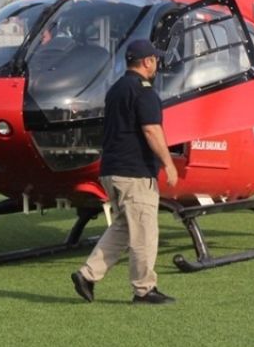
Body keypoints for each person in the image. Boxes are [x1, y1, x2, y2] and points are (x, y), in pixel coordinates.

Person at [72, 39, 180, 305]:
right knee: (144, 232)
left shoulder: (116, 89)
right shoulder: (145, 92)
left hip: (111, 170)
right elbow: (151, 130)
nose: (157, 63)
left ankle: (87, 275)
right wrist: (168, 163)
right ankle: (144, 289)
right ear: (147, 62)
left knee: (123, 227)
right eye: (155, 59)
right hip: (135, 172)